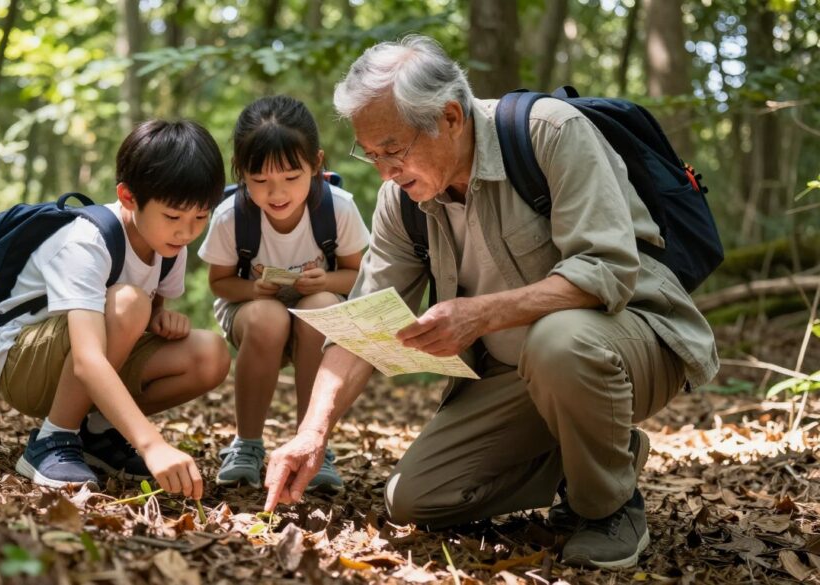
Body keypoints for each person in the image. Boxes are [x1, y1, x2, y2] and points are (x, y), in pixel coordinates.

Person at [264, 36, 718, 569]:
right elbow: (364, 326)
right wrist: (310, 434)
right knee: (415, 500)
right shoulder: (402, 201)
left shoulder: (551, 133)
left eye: (394, 150)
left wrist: (482, 313)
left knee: (559, 341)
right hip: (517, 377)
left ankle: (608, 508)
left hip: (630, 340)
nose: (384, 171)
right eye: (371, 154)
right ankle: (598, 448)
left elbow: (607, 271)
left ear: (450, 117)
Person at [0, 120, 231, 499]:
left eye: (200, 217)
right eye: (174, 217)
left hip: (81, 360)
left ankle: (97, 434)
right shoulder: (88, 241)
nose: (186, 232)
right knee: (129, 303)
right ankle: (52, 439)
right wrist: (152, 443)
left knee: (210, 354)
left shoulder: (168, 245)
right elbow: (88, 357)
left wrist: (159, 315)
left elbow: (150, 302)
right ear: (128, 197)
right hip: (23, 363)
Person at [198, 95, 370, 492]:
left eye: (292, 178)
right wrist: (254, 289)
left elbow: (357, 277)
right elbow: (220, 282)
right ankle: (247, 443)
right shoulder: (232, 216)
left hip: (316, 309)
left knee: (322, 309)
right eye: (260, 181)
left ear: (317, 163)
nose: (276, 194)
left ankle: (313, 445)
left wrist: (325, 282)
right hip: (253, 313)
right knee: (267, 316)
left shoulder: (338, 210)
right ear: (242, 173)